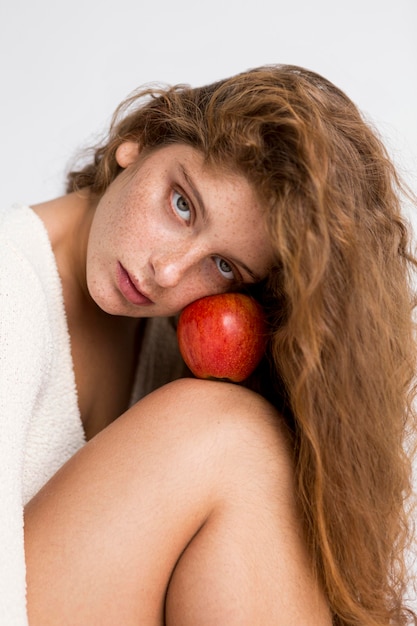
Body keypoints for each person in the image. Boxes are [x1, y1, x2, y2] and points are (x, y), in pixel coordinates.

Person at [0, 64, 416, 626]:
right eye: (182, 205)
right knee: (232, 436)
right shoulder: (10, 286)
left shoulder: (175, 339)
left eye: (222, 266)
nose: (168, 273)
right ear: (140, 140)